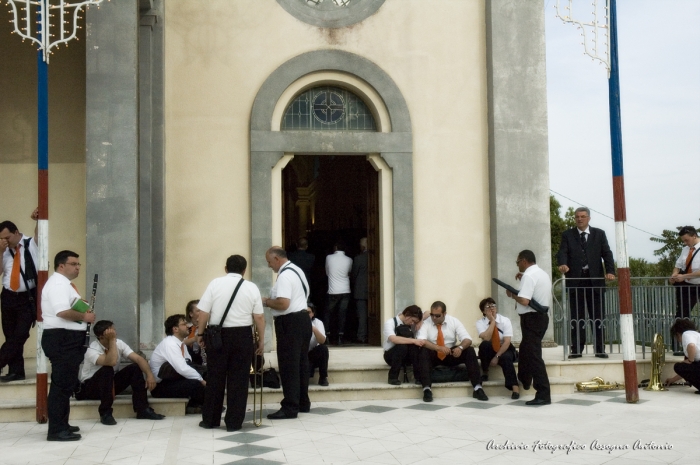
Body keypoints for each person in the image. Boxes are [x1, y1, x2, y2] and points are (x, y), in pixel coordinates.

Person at [196, 254, 265, 432]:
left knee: (215, 377)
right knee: (239, 380)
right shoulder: (251, 287)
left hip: (217, 335)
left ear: (226, 268)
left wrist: (200, 333)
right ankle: (234, 422)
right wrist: (261, 341)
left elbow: (203, 312)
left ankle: (210, 419)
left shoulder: (215, 283)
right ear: (244, 270)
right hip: (243, 335)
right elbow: (258, 316)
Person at [41, 250, 95, 441]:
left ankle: (63, 423)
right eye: (74, 264)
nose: (78, 267)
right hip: (61, 338)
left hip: (68, 339)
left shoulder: (66, 285)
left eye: (78, 264)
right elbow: (62, 312)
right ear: (61, 265)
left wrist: (82, 309)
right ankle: (56, 429)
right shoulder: (57, 284)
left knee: (66, 384)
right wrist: (84, 316)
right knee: (60, 386)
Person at [77, 320, 164, 425]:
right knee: (107, 369)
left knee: (135, 368)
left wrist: (150, 375)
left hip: (109, 386)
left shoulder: (119, 343)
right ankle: (105, 413)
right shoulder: (91, 349)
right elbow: (111, 362)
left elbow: (138, 359)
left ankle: (142, 410)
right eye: (111, 332)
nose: (115, 334)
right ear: (101, 337)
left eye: (114, 331)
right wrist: (112, 341)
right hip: (90, 388)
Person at [557, 207, 615, 359]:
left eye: (582, 216)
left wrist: (610, 271)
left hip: (595, 280)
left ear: (589, 218)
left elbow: (607, 253)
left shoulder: (599, 234)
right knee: (577, 317)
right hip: (576, 280)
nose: (579, 219)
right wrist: (562, 264)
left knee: (598, 317)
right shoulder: (568, 235)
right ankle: (576, 349)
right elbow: (562, 252)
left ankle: (600, 349)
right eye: (577, 217)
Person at [262, 246, 312, 419]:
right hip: (303, 320)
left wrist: (266, 302)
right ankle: (302, 402)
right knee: (301, 364)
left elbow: (283, 304)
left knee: (289, 365)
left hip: (290, 323)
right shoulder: (297, 270)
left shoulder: (285, 276)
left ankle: (290, 406)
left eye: (269, 262)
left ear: (277, 259)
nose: (269, 266)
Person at [416, 301, 488, 403]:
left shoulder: (453, 321)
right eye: (432, 315)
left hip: (450, 353)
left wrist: (460, 348)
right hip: (434, 353)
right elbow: (421, 341)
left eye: (437, 315)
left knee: (470, 350)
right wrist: (438, 348)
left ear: (444, 314)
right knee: (423, 351)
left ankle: (477, 387)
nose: (434, 318)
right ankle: (426, 389)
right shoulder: (426, 323)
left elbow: (467, 339)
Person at [506, 249, 552, 406]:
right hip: (540, 318)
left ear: (524, 261)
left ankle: (543, 393)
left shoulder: (529, 276)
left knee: (533, 356)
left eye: (518, 262)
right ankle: (525, 379)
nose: (517, 265)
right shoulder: (541, 274)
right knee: (526, 350)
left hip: (531, 319)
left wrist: (512, 294)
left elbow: (525, 300)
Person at [0, 209, 39, 382]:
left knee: (20, 335)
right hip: (8, 296)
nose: (5, 242)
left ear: (16, 233)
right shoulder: (4, 251)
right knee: (10, 334)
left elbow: (41, 233)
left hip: (27, 297)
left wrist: (38, 218)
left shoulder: (31, 244)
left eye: (7, 238)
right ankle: (16, 371)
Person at [149, 314, 206, 414]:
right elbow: (182, 368)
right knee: (195, 383)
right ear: (175, 329)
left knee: (207, 374)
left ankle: (196, 404)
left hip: (173, 379)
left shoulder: (181, 344)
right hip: (160, 386)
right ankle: (207, 405)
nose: (188, 326)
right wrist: (201, 380)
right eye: (184, 324)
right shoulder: (169, 344)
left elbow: (188, 364)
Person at [476, 298, 520, 399]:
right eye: (488, 307)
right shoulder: (480, 323)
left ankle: (515, 387)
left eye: (493, 306)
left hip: (504, 347)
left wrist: (497, 356)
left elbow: (507, 341)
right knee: (484, 346)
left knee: (506, 358)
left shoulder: (505, 320)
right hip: (490, 347)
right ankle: (485, 371)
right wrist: (492, 321)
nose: (491, 308)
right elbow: (486, 337)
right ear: (483, 311)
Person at [382, 305, 424, 385]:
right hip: (392, 355)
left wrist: (421, 321)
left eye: (415, 322)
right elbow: (393, 339)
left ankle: (418, 377)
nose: (413, 323)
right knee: (402, 346)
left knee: (414, 347)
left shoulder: (413, 324)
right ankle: (392, 377)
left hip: (407, 356)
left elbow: (428, 313)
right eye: (413, 321)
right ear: (407, 315)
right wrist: (413, 340)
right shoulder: (390, 323)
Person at [325, 239, 352, 345]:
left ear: (335, 248)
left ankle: (327, 334)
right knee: (342, 314)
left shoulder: (329, 257)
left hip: (333, 291)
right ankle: (340, 336)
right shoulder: (349, 259)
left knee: (328, 314)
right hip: (345, 290)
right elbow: (349, 273)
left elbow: (327, 272)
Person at [670, 226, 700, 319]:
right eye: (683, 241)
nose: (685, 243)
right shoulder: (685, 249)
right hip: (687, 286)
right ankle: (683, 332)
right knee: (682, 314)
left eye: (687, 240)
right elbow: (677, 266)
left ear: (694, 236)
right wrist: (674, 275)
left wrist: (684, 276)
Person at [665, 319, 700, 393]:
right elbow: (687, 370)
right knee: (683, 366)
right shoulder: (696, 335)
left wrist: (690, 360)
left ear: (677, 334)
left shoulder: (686, 334)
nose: (678, 341)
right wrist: (672, 380)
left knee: (678, 366)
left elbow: (691, 346)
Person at [351, 237, 369, 344]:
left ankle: (361, 336)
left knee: (361, 315)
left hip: (360, 290)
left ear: (362, 246)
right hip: (373, 291)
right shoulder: (376, 257)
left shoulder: (358, 258)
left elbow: (354, 275)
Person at [307, 303, 329, 386]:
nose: (306, 315)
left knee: (323, 349)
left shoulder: (318, 323)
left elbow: (322, 341)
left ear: (312, 313)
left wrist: (314, 329)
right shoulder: (297, 323)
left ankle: (323, 377)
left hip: (311, 353)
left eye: (308, 313)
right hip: (301, 355)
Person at [184, 299, 205, 366]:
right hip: (189, 360)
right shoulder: (185, 327)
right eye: (198, 311)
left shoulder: (208, 326)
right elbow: (179, 343)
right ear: (191, 314)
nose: (202, 313)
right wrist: (194, 339)